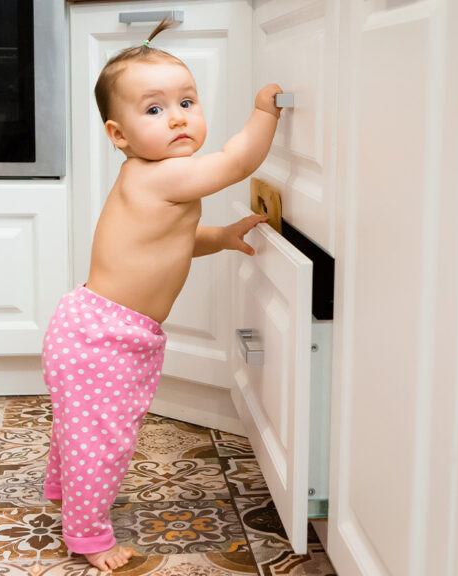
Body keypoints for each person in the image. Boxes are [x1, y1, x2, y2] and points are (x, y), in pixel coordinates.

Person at [40, 17, 282, 572]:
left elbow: (169, 243)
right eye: (153, 109)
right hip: (103, 337)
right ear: (118, 135)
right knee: (102, 440)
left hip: (97, 328)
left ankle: (63, 490)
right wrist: (266, 113)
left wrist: (218, 237)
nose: (176, 118)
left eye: (187, 102)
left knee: (80, 427)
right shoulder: (161, 176)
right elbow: (238, 161)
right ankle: (87, 535)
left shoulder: (153, 179)